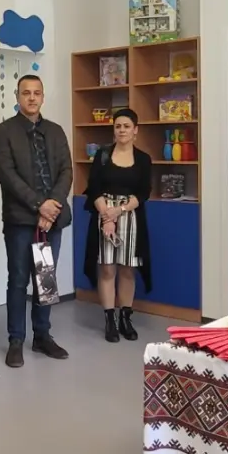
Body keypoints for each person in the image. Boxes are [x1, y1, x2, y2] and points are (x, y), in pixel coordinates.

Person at [0, 75, 72, 368]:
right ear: (18, 96)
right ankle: (16, 340)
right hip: (21, 220)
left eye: (37, 93)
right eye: (26, 93)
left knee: (45, 280)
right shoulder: (4, 132)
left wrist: (51, 208)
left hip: (52, 221)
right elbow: (8, 176)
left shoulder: (55, 132)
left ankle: (42, 336)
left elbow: (66, 171)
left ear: (43, 97)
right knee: (18, 280)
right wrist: (40, 205)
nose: (32, 98)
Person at [82, 109, 153, 343]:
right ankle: (109, 319)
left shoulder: (143, 159)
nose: (122, 130)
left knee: (127, 269)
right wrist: (107, 216)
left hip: (131, 217)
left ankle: (125, 318)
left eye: (126, 126)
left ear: (135, 130)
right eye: (118, 126)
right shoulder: (102, 155)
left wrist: (120, 211)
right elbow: (93, 188)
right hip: (104, 215)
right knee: (106, 268)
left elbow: (144, 192)